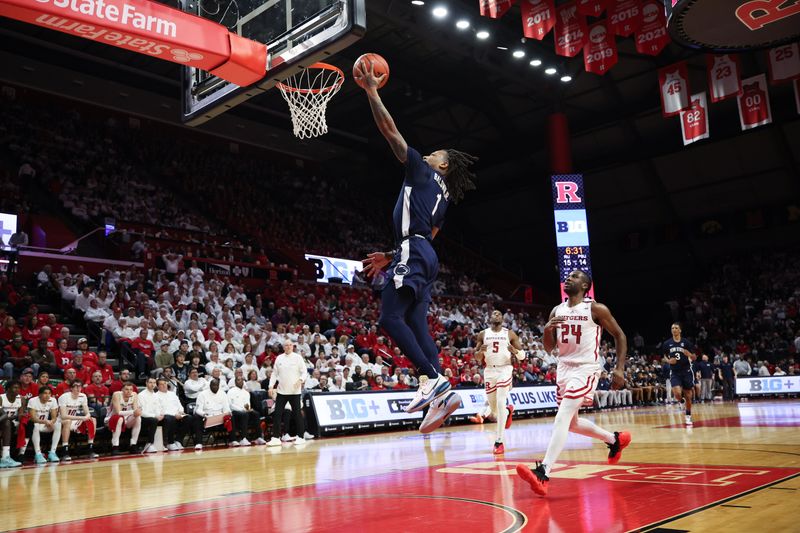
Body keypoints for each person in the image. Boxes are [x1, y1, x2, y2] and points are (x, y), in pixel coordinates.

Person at [356, 59, 478, 432]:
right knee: (413, 321)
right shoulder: (443, 200)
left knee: (390, 318)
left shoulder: (422, 171)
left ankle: (433, 380)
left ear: (442, 166)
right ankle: (441, 391)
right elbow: (431, 235)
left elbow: (391, 133)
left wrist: (372, 91)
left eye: (437, 153)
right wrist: (396, 254)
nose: (430, 153)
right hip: (425, 253)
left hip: (414, 250)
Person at [516, 270, 630, 497]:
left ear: (585, 285)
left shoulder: (596, 309)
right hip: (564, 368)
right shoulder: (556, 310)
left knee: (563, 416)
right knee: (571, 423)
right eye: (568, 276)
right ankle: (614, 440)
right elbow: (549, 348)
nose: (569, 278)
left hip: (586, 368)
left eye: (575, 276)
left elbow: (620, 335)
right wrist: (547, 329)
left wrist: (619, 368)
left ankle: (543, 472)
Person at [471, 309, 525, 455]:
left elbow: (522, 356)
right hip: (489, 371)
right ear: (489, 318)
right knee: (495, 410)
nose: (496, 315)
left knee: (501, 402)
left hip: (505, 369)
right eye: (493, 313)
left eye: (499, 314)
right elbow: (476, 357)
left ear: (502, 319)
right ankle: (508, 411)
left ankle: (499, 441)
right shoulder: (483, 334)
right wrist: (480, 352)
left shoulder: (509, 334)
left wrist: (514, 351)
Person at [267, 340, 307, 446]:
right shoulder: (279, 358)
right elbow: (274, 374)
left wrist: (300, 380)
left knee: (297, 414)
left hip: (295, 392)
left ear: (293, 347)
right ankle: (275, 438)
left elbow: (304, 372)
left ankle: (301, 437)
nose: (288, 347)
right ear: (283, 347)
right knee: (277, 414)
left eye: (290, 345)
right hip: (281, 391)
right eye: (286, 345)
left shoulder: (298, 358)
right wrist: (270, 386)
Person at [662, 323, 696, 425]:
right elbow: (664, 356)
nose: (674, 329)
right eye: (672, 328)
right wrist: (668, 361)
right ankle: (681, 401)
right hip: (675, 372)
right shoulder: (667, 343)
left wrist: (689, 354)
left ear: (680, 330)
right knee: (676, 393)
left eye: (676, 328)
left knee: (689, 396)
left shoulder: (686, 342)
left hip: (686, 371)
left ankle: (688, 416)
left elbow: (694, 357)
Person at [57, 381, 99, 461]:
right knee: (68, 421)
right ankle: (65, 451)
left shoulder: (83, 396)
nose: (78, 388)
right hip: (60, 420)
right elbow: (63, 416)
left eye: (79, 386)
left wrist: (87, 417)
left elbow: (87, 412)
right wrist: (82, 418)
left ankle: (90, 448)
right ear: (71, 388)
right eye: (75, 386)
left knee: (92, 420)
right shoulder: (64, 397)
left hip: (75, 419)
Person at [27, 386, 62, 464]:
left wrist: (51, 422)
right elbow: (32, 418)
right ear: (39, 395)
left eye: (49, 393)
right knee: (34, 425)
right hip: (36, 424)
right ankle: (38, 454)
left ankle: (52, 452)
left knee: (58, 423)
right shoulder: (32, 401)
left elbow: (54, 417)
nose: (48, 395)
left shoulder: (53, 400)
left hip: (45, 424)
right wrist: (45, 421)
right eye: (45, 393)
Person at [105, 382, 142, 455]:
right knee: (120, 418)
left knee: (138, 418)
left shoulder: (134, 395)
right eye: (126, 389)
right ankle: (115, 446)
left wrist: (137, 412)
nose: (129, 391)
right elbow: (118, 412)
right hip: (112, 418)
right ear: (122, 390)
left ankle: (133, 445)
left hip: (127, 419)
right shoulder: (116, 394)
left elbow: (135, 411)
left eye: (131, 389)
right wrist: (134, 411)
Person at [0, 380, 22, 467]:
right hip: (2, 422)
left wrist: (16, 417)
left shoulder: (20, 399)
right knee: (7, 421)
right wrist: (13, 417)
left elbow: (20, 415)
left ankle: (13, 456)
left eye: (19, 388)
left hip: (11, 424)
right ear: (8, 389)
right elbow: (3, 414)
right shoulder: (1, 398)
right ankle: (5, 457)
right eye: (15, 388)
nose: (17, 390)